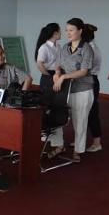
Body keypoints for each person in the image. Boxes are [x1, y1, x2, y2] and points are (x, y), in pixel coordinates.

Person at [53, 18, 94, 163]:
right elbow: (58, 65)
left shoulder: (86, 48)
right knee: (57, 116)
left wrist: (64, 76)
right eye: (67, 30)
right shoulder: (65, 47)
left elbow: (83, 71)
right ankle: (58, 145)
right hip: (66, 89)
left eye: (71, 30)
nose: (68, 33)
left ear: (80, 31)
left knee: (80, 121)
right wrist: (57, 73)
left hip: (82, 89)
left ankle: (78, 150)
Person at [34, 22, 64, 158]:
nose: (62, 33)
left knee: (57, 107)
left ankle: (56, 141)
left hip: (58, 76)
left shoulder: (59, 46)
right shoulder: (44, 47)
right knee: (47, 107)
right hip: (48, 77)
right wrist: (48, 76)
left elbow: (60, 63)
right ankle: (47, 137)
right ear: (54, 33)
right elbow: (39, 64)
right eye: (60, 31)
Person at [82, 24, 102, 152]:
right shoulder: (87, 47)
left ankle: (97, 142)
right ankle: (80, 139)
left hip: (90, 81)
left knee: (92, 112)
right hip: (84, 81)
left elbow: (84, 69)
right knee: (81, 112)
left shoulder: (91, 49)